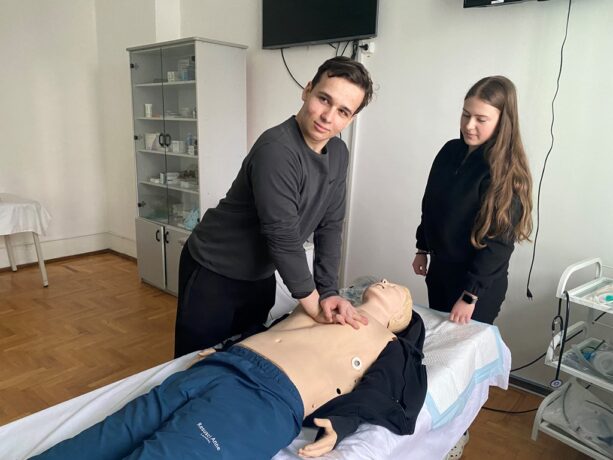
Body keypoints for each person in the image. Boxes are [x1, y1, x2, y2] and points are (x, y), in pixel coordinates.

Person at [33, 281, 427, 460]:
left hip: (264, 401)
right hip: (219, 367)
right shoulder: (326, 302)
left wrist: (343, 425)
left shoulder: (393, 346)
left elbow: (387, 394)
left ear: (401, 317)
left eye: (398, 288)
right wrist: (223, 348)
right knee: (103, 439)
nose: (385, 281)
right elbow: (268, 330)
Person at [175, 56, 375, 358]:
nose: (327, 116)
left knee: (244, 357)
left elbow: (330, 226)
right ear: (307, 90)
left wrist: (329, 291)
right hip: (214, 268)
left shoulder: (338, 153)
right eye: (324, 99)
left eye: (343, 111)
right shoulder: (277, 149)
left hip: (260, 274)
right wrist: (314, 305)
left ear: (351, 119)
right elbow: (282, 235)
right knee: (195, 363)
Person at [412, 75, 533, 326]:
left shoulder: (505, 173)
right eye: (466, 115)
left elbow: (499, 244)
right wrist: (422, 248)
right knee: (439, 341)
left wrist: (470, 295)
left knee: (463, 347)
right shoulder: (449, 151)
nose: (469, 125)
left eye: (481, 119)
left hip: (477, 288)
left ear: (502, 122)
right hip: (440, 272)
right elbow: (430, 205)